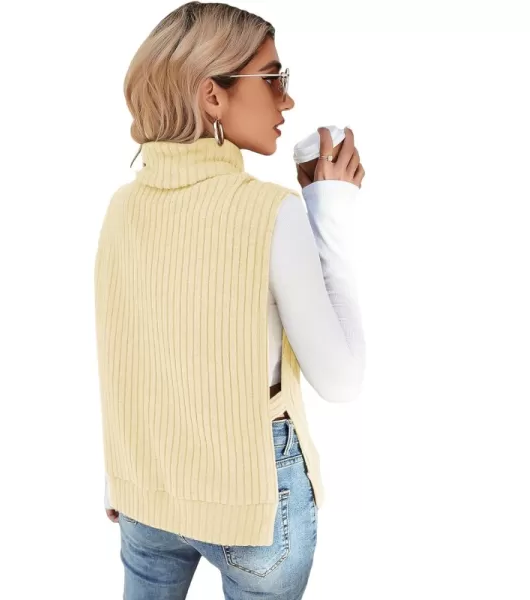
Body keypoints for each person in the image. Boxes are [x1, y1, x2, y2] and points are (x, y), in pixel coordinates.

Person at [93, 2, 366, 598]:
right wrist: (331, 209)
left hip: (145, 485)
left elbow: (123, 354)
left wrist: (120, 479)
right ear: (212, 96)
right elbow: (342, 380)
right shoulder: (270, 212)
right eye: (272, 78)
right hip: (252, 492)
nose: (287, 100)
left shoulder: (123, 206)